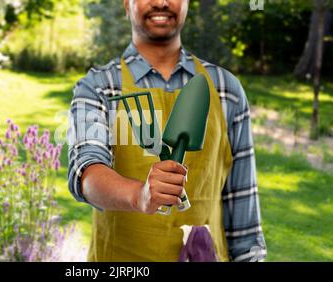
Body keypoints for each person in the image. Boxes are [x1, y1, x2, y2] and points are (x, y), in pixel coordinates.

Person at [67, 0, 266, 262]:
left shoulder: (225, 89)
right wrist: (140, 195)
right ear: (127, 4)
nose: (161, 2)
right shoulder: (99, 86)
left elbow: (242, 208)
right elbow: (86, 172)